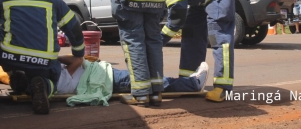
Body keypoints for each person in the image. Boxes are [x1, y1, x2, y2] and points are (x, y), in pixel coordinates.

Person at [161, 0, 235, 103]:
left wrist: (159, 40)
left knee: (218, 36)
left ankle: (223, 87)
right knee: (191, 34)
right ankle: (189, 82)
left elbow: (177, 18)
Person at [56, 56, 208, 98]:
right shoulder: (58, 81)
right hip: (104, 79)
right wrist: (60, 59)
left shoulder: (54, 76)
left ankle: (190, 82)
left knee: (146, 78)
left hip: (102, 75)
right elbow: (77, 60)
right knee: (148, 80)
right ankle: (193, 83)